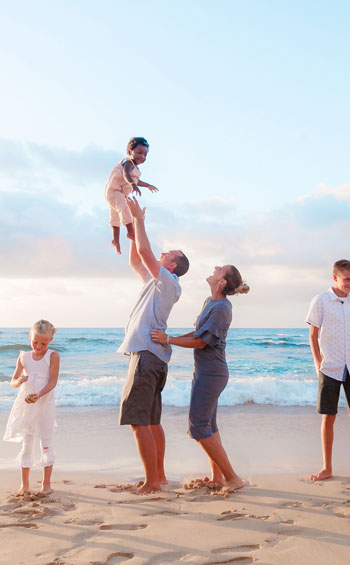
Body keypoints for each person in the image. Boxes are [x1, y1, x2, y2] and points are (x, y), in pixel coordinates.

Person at [151, 265, 249, 493]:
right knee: (209, 426)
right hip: (204, 371)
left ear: (222, 283)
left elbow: (202, 342)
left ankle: (233, 478)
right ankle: (218, 477)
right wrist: (169, 338)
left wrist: (169, 340)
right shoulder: (209, 302)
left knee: (198, 427)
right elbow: (197, 333)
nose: (215, 268)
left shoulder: (222, 308)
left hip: (213, 373)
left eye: (220, 270)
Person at [116, 196, 188, 494]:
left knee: (138, 422)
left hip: (146, 356)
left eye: (169, 253)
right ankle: (158, 476)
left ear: (173, 264)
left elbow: (145, 252)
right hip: (151, 356)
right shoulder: (156, 281)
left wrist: (139, 220)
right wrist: (133, 229)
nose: (163, 252)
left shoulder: (168, 280)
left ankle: (152, 482)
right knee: (151, 421)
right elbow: (136, 259)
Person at [306, 259, 350, 485]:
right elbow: (313, 335)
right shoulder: (320, 300)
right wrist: (318, 363)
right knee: (329, 417)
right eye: (347, 279)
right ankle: (327, 467)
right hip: (330, 367)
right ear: (335, 277)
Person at [4, 319, 60, 495]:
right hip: (26, 404)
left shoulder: (53, 356)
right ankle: (25, 485)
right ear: (30, 337)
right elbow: (13, 382)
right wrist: (20, 381)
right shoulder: (24, 357)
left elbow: (52, 382)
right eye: (35, 342)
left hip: (44, 404)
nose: (38, 346)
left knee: (46, 442)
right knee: (27, 444)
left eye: (43, 343)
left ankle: (46, 484)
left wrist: (39, 395)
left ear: (50, 340)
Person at [105, 137, 159, 255]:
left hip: (117, 193)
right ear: (130, 152)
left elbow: (136, 180)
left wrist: (148, 185)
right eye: (139, 153)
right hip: (114, 191)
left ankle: (115, 240)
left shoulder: (135, 169)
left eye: (145, 154)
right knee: (124, 208)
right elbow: (126, 175)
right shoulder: (128, 163)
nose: (142, 156)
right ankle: (130, 232)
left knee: (115, 215)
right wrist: (132, 185)